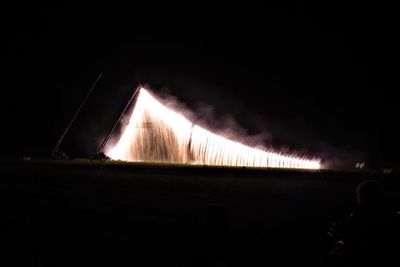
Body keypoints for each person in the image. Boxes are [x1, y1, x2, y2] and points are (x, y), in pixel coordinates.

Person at [328, 180, 399, 266]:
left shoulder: (362, 215)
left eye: (359, 195)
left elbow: (345, 229)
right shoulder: (390, 213)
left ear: (363, 196)